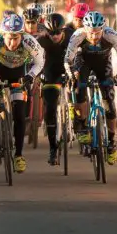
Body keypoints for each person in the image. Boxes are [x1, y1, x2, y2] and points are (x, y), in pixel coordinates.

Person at [0, 14, 44, 173]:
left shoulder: (29, 41)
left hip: (18, 74)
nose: (12, 42)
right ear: (3, 35)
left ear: (22, 35)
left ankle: (19, 155)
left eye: (16, 38)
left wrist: (29, 77)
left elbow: (40, 62)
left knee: (19, 115)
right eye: (9, 38)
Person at [64, 11, 117, 165]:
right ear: (85, 29)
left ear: (102, 29)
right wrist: (72, 74)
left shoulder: (110, 35)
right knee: (79, 89)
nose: (93, 37)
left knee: (110, 105)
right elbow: (67, 59)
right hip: (84, 63)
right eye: (90, 33)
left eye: (97, 33)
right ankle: (83, 125)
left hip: (103, 64)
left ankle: (111, 143)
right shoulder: (78, 36)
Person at [37, 13, 73, 165]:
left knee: (79, 91)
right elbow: (33, 60)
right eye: (51, 33)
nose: (55, 36)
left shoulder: (72, 36)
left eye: (58, 32)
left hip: (69, 70)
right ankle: (53, 148)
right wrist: (37, 76)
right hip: (50, 73)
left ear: (63, 30)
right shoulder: (41, 41)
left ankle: (79, 124)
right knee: (50, 110)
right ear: (46, 31)